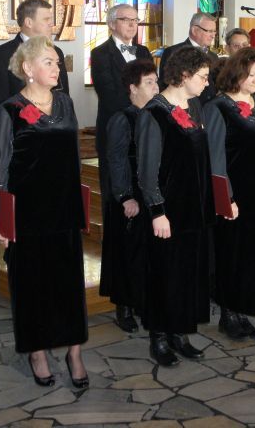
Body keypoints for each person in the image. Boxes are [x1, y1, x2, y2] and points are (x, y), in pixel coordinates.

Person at [0, 36, 89, 390]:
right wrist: (2, 222)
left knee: (69, 285)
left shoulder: (65, 103)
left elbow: (74, 157)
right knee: (32, 285)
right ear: (27, 68)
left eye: (57, 62)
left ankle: (74, 351)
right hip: (28, 215)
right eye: (48, 61)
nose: (56, 67)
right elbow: (0, 169)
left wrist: (79, 205)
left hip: (64, 210)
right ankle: (36, 351)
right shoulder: (8, 110)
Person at [136, 47, 219, 367]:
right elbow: (147, 170)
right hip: (168, 211)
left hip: (193, 207)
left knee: (187, 274)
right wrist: (158, 211)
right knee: (164, 274)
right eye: (202, 77)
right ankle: (159, 336)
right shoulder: (154, 113)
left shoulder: (194, 106)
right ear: (184, 75)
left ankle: (180, 333)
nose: (206, 83)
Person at [205, 48, 255, 339]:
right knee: (231, 254)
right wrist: (227, 197)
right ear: (237, 73)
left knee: (253, 255)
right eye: (251, 74)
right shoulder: (218, 106)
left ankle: (244, 309)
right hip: (235, 194)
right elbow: (215, 156)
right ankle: (228, 313)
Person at [100, 59, 159, 333]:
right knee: (127, 251)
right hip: (129, 195)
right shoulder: (122, 119)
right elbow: (117, 159)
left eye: (156, 81)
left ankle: (143, 300)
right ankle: (124, 305)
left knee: (146, 252)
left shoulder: (157, 115)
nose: (156, 87)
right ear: (133, 88)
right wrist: (125, 196)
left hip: (148, 193)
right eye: (149, 82)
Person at [90, 3, 152, 222]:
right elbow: (109, 94)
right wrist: (138, 111)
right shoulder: (100, 54)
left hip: (144, 130)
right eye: (126, 19)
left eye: (135, 20)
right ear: (111, 23)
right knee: (114, 191)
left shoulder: (143, 52)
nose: (132, 24)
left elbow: (152, 88)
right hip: (115, 128)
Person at [0, 0, 69, 111]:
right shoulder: (1, 54)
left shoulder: (57, 51)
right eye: (46, 19)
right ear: (29, 22)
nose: (52, 24)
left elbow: (64, 94)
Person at [158, 12, 219, 103]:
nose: (213, 35)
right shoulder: (174, 52)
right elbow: (166, 84)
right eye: (209, 31)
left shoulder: (214, 56)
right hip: (184, 106)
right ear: (194, 30)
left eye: (214, 31)